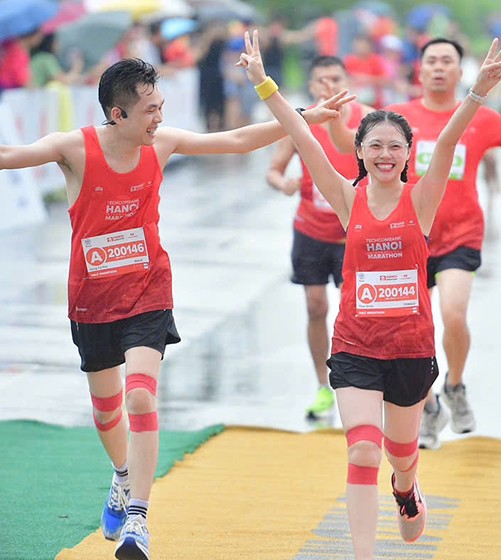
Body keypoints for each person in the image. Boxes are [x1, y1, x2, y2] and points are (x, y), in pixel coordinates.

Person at [0, 57, 347, 560]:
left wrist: (303, 118)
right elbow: (9, 154)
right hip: (91, 298)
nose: (160, 118)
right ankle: (121, 477)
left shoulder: (161, 144)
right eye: (149, 110)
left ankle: (139, 518)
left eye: (161, 107)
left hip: (148, 289)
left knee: (140, 397)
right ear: (117, 115)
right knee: (106, 410)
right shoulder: (74, 148)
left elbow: (235, 140)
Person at [238, 30, 501, 559]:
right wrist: (263, 82)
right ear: (359, 151)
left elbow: (450, 140)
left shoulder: (423, 198)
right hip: (356, 345)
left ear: (409, 155)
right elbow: (302, 134)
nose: (385, 154)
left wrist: (475, 93)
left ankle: (406, 489)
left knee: (401, 454)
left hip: (409, 349)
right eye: (375, 145)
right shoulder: (345, 196)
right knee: (363, 449)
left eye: (395, 147)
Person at [326, 37, 501, 449]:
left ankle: (455, 386)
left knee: (453, 314)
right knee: (407, 330)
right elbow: (346, 141)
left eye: (448, 62)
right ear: (419, 71)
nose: (439, 68)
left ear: (461, 72)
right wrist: (334, 119)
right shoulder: (398, 119)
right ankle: (428, 404)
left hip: (459, 235)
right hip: (404, 244)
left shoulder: (481, 118)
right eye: (431, 61)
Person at [266, 55, 373, 420]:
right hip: (310, 230)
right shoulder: (303, 121)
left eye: (335, 78)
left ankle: (357, 382)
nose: (328, 86)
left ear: (347, 79)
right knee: (316, 306)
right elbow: (274, 170)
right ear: (312, 86)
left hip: (353, 235)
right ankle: (322, 386)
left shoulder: (369, 120)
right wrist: (285, 184)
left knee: (356, 311)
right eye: (321, 80)